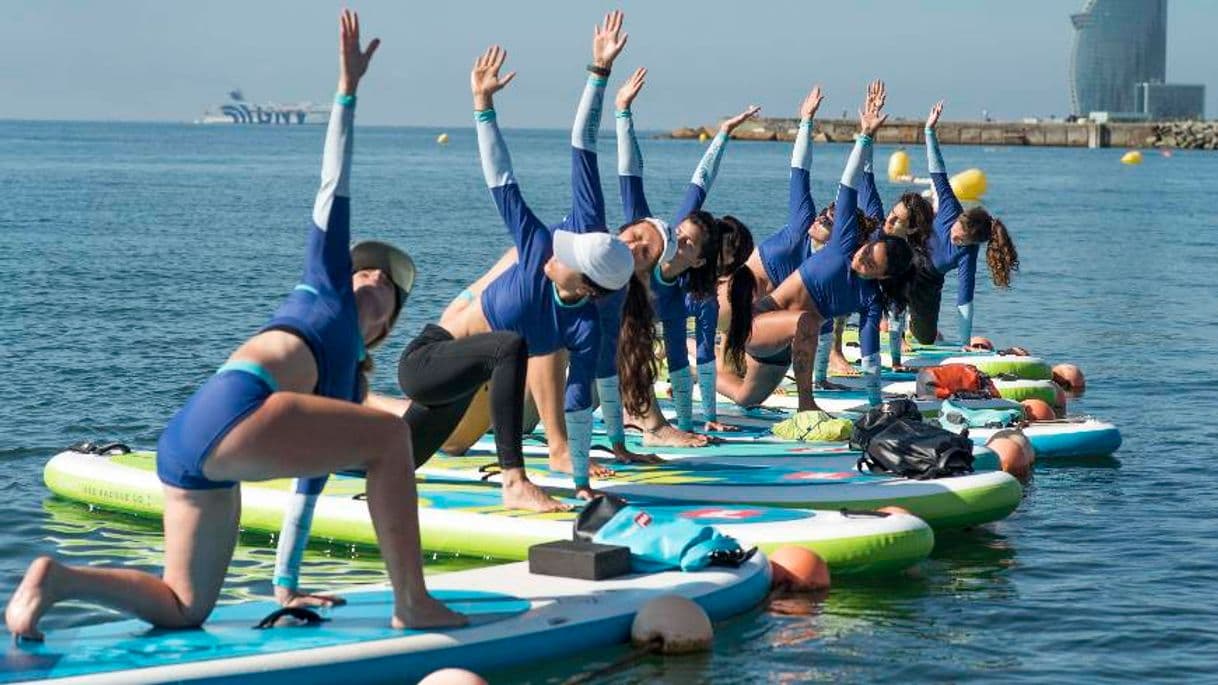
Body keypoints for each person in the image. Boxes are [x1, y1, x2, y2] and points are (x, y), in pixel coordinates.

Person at [5, 11, 467, 639]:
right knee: (390, 440)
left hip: (197, 446)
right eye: (368, 270)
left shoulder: (342, 388)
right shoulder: (321, 282)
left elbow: (308, 486)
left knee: (185, 606)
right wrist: (347, 91)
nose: (375, 279)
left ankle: (55, 581)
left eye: (390, 286)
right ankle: (412, 602)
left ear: (384, 330)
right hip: (232, 410)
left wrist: (285, 586)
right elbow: (335, 182)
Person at [436, 44, 637, 498]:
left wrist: (583, 478)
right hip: (459, 346)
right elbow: (517, 172)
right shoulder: (549, 245)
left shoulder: (589, 318)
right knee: (445, 440)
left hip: (511, 368)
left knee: (546, 345)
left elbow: (582, 394)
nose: (557, 251)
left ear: (589, 286)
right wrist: (598, 72)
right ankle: (351, 399)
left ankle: (558, 450)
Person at [719, 83, 916, 411]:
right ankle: (806, 404)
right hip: (758, 320)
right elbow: (846, 183)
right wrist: (862, 136)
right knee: (805, 320)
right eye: (865, 251)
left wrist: (875, 403)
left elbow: (869, 349)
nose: (861, 259)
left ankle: (696, 360)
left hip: (785, 346)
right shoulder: (841, 246)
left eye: (870, 264)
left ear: (882, 277)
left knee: (747, 399)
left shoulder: (868, 298)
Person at [612, 65, 760, 446]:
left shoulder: (689, 296)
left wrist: (700, 421)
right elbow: (640, 175)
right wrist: (623, 113)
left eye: (688, 243)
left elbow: (685, 362)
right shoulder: (648, 237)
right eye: (679, 235)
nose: (678, 239)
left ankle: (638, 421)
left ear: (701, 262)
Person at [908, 100, 1019, 348]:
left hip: (928, 282)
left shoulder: (967, 254)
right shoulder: (950, 208)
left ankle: (909, 322)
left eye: (960, 239)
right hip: (906, 255)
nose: (954, 237)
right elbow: (937, 171)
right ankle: (888, 314)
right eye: (956, 230)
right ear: (960, 218)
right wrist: (929, 130)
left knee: (925, 338)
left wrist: (965, 343)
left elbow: (964, 300)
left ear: (972, 242)